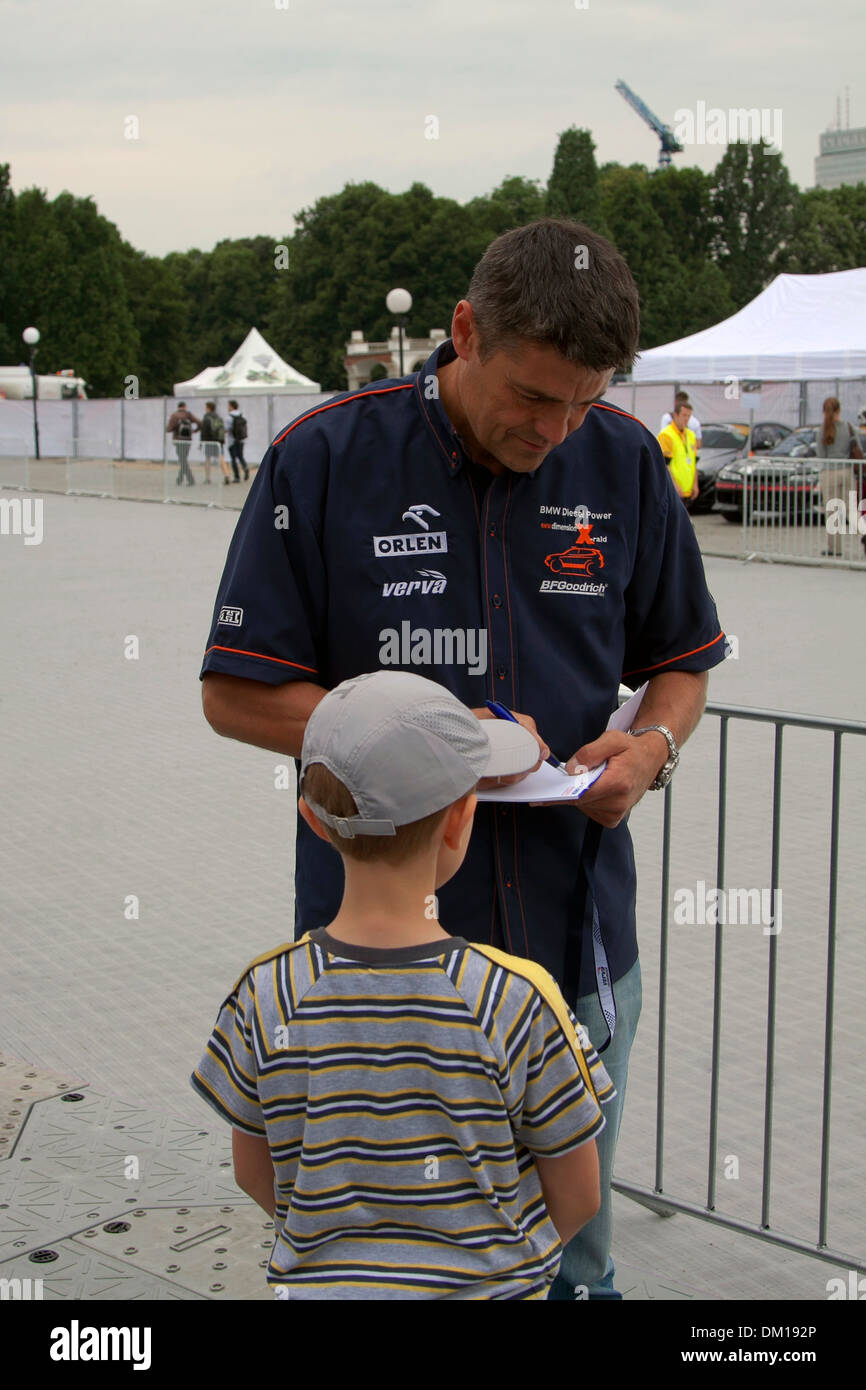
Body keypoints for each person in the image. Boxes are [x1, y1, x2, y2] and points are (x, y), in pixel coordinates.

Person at [199, 217, 727, 1300]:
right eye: (533, 397)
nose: (557, 428)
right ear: (462, 333)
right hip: (373, 970)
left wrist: (652, 743)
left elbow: (681, 662)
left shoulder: (621, 460)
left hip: (573, 949)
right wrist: (431, 751)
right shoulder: (327, 455)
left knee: (574, 1256)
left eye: (584, 400)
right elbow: (234, 692)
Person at [191, 670, 615, 1300]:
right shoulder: (518, 998)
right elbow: (579, 1195)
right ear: (460, 820)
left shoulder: (266, 991)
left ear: (314, 820)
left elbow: (256, 1174)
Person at [817, 396, 864, 557]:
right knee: (851, 509)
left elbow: (821, 454)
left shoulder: (822, 430)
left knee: (832, 511)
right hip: (847, 471)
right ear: (839, 410)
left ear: (824, 411)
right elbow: (857, 447)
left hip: (829, 472)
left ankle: (834, 548)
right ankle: (863, 531)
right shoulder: (848, 427)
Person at [657, 401, 700, 506]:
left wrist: (695, 484)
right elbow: (664, 465)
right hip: (674, 490)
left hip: (687, 490)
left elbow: (693, 462)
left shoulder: (691, 435)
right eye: (684, 415)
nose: (686, 419)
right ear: (676, 415)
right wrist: (674, 485)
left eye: (689, 416)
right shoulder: (666, 435)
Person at [166, 401, 201, 486]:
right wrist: (195, 431)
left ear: (178, 407)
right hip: (188, 440)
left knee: (182, 460)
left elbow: (168, 429)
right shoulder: (188, 415)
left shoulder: (174, 416)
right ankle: (179, 479)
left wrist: (172, 428)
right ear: (185, 406)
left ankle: (190, 479)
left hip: (178, 440)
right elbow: (200, 423)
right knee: (183, 460)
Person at [199, 401, 230, 485]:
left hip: (209, 441)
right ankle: (226, 474)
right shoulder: (218, 417)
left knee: (208, 459)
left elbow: (204, 431)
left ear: (208, 408)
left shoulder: (206, 417)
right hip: (218, 441)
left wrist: (201, 443)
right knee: (221, 458)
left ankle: (208, 478)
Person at [226, 399, 250, 482]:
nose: (227, 407)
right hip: (241, 440)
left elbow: (226, 429)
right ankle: (245, 467)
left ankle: (237, 477)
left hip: (232, 440)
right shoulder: (241, 415)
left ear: (231, 406)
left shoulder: (229, 417)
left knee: (233, 458)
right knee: (240, 456)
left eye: (228, 406)